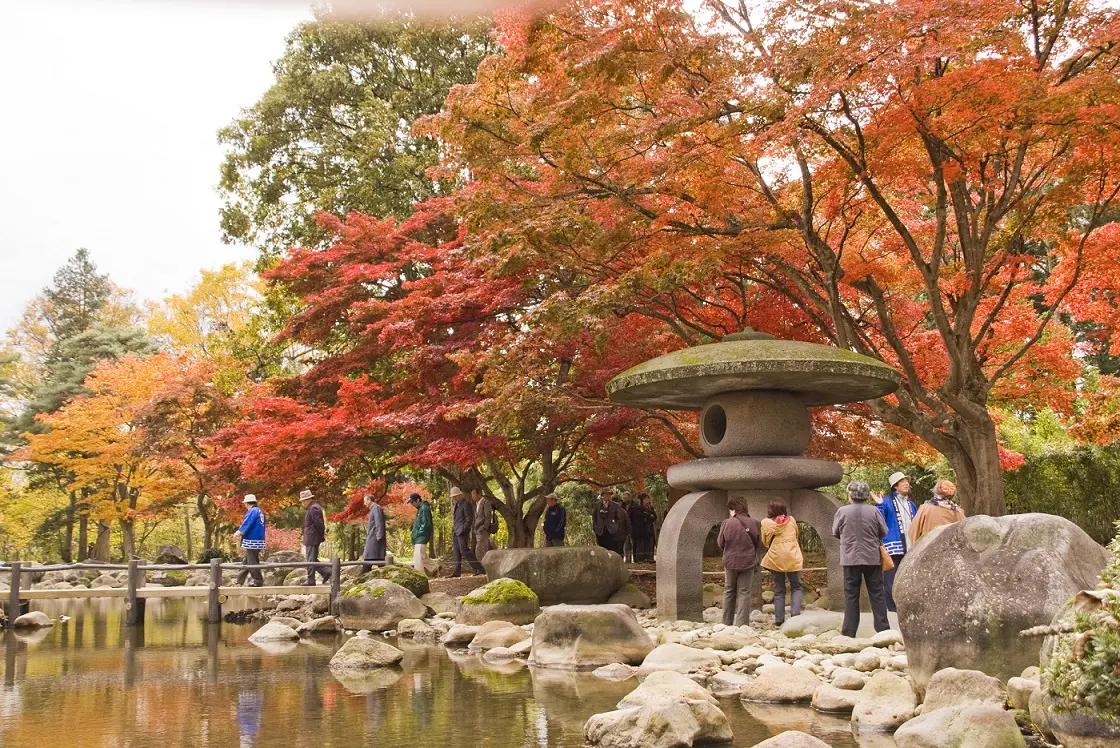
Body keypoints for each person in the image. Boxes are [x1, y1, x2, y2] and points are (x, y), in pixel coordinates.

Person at [833, 480, 890, 637]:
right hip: (872, 557)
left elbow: (835, 532)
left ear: (850, 494)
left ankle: (849, 632)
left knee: (851, 595)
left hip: (850, 558)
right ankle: (883, 630)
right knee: (877, 593)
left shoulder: (842, 511)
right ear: (866, 495)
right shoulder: (874, 511)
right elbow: (884, 531)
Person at [717, 497, 762, 626]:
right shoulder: (755, 523)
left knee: (729, 591)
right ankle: (742, 624)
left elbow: (720, 543)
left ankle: (726, 622)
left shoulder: (726, 523)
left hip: (730, 561)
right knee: (744, 592)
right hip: (749, 561)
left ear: (733, 510)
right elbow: (758, 545)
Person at [878, 471, 918, 612]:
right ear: (895, 486)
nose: (907, 484)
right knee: (891, 577)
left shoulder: (911, 504)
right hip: (893, 545)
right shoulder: (886, 502)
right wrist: (879, 505)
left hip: (910, 545)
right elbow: (879, 521)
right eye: (903, 482)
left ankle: (906, 604)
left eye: (907, 481)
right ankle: (891, 606)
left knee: (907, 576)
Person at [761, 500, 804, 626]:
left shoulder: (765, 523)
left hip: (776, 558)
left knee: (779, 589)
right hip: (792, 557)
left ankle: (779, 619)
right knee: (796, 586)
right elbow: (796, 534)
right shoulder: (791, 520)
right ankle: (795, 615)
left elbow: (765, 541)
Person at [909, 479, 966, 545]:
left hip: (929, 548)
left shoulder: (925, 509)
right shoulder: (958, 511)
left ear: (936, 492)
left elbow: (913, 531)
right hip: (953, 551)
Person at [450, 487, 485, 576]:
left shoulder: (466, 503)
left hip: (462, 531)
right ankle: (457, 571)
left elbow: (469, 519)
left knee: (464, 550)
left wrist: (464, 529)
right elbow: (456, 518)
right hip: (456, 531)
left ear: (459, 495)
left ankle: (479, 568)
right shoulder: (457, 505)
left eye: (455, 496)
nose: (454, 498)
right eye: (453, 496)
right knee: (456, 551)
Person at [299, 489, 331, 585]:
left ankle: (311, 580)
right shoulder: (312, 508)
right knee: (311, 559)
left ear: (308, 499)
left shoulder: (313, 508)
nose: (302, 503)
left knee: (310, 559)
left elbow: (319, 523)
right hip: (311, 537)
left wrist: (321, 535)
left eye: (303, 501)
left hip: (313, 537)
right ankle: (326, 572)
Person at [233, 494, 266, 587]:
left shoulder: (252, 511)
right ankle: (239, 581)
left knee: (252, 562)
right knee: (247, 561)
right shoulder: (259, 511)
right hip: (258, 539)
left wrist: (239, 532)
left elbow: (247, 523)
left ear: (247, 503)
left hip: (252, 540)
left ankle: (258, 580)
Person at [408, 493, 435, 574]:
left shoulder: (424, 508)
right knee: (423, 556)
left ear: (417, 500)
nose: (412, 504)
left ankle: (419, 574)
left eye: (412, 502)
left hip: (421, 536)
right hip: (419, 536)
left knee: (418, 558)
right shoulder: (420, 509)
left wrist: (418, 534)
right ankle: (435, 566)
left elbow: (426, 524)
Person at [592, 488, 626, 553]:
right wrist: (595, 527)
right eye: (606, 494)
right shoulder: (597, 505)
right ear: (603, 495)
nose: (608, 496)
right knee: (601, 549)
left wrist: (615, 527)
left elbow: (618, 518)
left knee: (611, 549)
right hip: (600, 530)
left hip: (611, 530)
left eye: (609, 494)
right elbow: (594, 517)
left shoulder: (615, 505)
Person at [361, 493, 386, 572]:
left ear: (369, 500)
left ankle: (362, 577)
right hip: (373, 535)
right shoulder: (374, 508)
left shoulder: (376, 508)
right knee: (374, 557)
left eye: (365, 501)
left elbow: (379, 521)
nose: (364, 504)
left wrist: (379, 534)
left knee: (369, 556)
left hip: (375, 536)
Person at [632, 493, 658, 562]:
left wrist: (648, 515)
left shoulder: (650, 508)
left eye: (648, 499)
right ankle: (640, 559)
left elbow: (654, 517)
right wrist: (647, 515)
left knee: (649, 544)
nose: (647, 500)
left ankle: (649, 558)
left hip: (649, 529)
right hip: (640, 530)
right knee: (640, 545)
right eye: (645, 499)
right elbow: (639, 516)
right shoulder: (637, 507)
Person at [471, 488, 495, 561]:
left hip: (483, 530)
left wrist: (485, 527)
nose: (472, 496)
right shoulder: (476, 504)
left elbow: (488, 516)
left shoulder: (485, 502)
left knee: (479, 549)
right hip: (477, 530)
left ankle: (481, 567)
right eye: (472, 494)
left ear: (479, 494)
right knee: (483, 549)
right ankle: (485, 566)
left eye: (474, 494)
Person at [620, 493, 637, 562]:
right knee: (626, 545)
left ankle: (634, 559)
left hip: (633, 526)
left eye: (627, 498)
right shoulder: (622, 506)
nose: (626, 500)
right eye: (624, 499)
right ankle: (627, 559)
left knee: (633, 544)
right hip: (625, 528)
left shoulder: (634, 505)